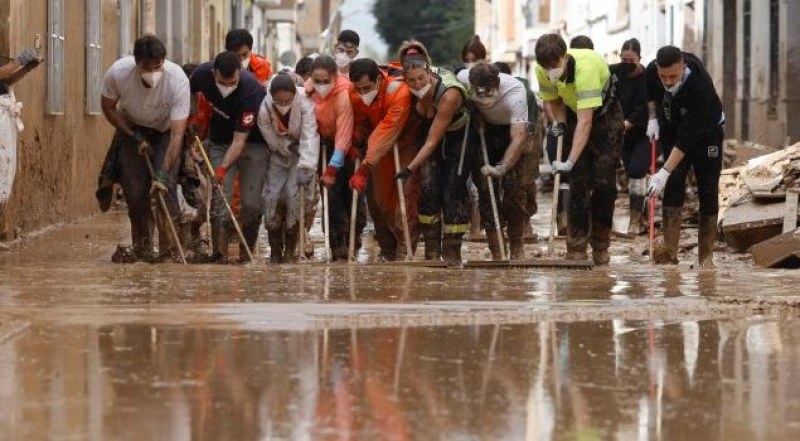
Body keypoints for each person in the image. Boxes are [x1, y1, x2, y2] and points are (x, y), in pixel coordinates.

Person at [534, 33, 624, 265]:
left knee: (604, 183)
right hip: (574, 112)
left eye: (554, 65)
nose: (550, 70)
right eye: (546, 67)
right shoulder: (541, 70)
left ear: (565, 57)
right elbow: (554, 100)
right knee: (578, 182)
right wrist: (561, 123)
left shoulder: (586, 68)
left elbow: (587, 122)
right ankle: (576, 247)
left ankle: (601, 245)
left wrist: (570, 159)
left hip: (605, 116)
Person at [99, 35, 190, 262]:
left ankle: (170, 252)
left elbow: (178, 134)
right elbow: (108, 107)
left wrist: (163, 172)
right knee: (135, 192)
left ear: (164, 61)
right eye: (147, 67)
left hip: (166, 132)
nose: (153, 71)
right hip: (133, 130)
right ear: (136, 63)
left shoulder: (177, 79)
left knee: (164, 189)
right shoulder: (118, 73)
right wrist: (133, 134)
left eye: (157, 66)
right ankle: (143, 248)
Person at [645, 45, 724, 268]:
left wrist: (662, 173)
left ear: (684, 67)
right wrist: (652, 118)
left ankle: (706, 259)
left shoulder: (701, 86)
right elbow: (651, 93)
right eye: (663, 76)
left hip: (707, 135)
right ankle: (669, 255)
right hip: (672, 130)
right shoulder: (653, 71)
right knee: (674, 185)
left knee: (708, 189)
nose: (668, 82)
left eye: (673, 76)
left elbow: (687, 140)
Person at [394, 42, 470, 263]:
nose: (418, 84)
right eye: (412, 81)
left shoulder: (449, 94)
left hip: (458, 133)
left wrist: (409, 168)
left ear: (429, 71)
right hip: (430, 130)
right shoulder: (404, 85)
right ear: (405, 78)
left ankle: (452, 251)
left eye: (421, 79)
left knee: (452, 189)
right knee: (428, 188)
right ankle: (431, 251)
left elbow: (432, 142)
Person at [190, 51, 267, 263]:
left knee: (250, 204)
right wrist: (192, 116)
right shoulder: (201, 74)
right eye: (223, 82)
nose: (227, 86)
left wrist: (222, 170)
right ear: (214, 73)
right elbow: (188, 92)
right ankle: (220, 256)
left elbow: (239, 141)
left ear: (240, 73)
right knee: (219, 196)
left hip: (253, 142)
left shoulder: (250, 90)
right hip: (219, 141)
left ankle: (245, 255)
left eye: (232, 82)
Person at [457, 62, 534, 260]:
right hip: (485, 132)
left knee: (515, 190)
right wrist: (473, 111)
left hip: (512, 131)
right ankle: (497, 250)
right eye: (478, 93)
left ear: (497, 83)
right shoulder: (464, 78)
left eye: (488, 92)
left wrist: (502, 168)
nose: (482, 98)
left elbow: (519, 137)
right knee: (485, 190)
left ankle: (516, 245)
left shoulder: (515, 93)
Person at [347, 57, 418, 261]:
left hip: (404, 142)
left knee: (405, 195)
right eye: (358, 89)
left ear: (379, 79)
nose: (362, 94)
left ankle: (406, 249)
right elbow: (360, 120)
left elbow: (388, 130)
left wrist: (364, 168)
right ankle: (387, 250)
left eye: (366, 88)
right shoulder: (353, 92)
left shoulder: (397, 91)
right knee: (379, 199)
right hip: (376, 147)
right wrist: (356, 140)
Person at [258, 73, 319, 263]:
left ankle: (291, 251)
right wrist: (285, 146)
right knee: (271, 197)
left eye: (288, 101)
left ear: (295, 96)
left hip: (302, 155)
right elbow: (269, 135)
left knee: (295, 197)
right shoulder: (265, 107)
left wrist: (306, 167)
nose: (283, 105)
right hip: (277, 155)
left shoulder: (305, 103)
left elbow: (310, 135)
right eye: (279, 101)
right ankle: (275, 252)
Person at [307, 55, 358, 261]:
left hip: (349, 147)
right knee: (332, 198)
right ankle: (337, 247)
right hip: (323, 144)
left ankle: (354, 242)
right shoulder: (308, 91)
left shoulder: (344, 94)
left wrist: (332, 169)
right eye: (317, 80)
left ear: (335, 77)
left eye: (325, 81)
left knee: (352, 195)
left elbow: (344, 135)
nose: (321, 85)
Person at [611, 38, 651, 235]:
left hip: (641, 131)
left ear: (639, 58)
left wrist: (627, 124)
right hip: (619, 131)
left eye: (631, 61)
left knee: (637, 170)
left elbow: (643, 106)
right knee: (628, 172)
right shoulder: (613, 72)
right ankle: (640, 214)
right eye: (624, 60)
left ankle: (635, 220)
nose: (627, 64)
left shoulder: (645, 76)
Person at [0, 44, 42, 210]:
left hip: (4, 121)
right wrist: (20, 61)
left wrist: (27, 68)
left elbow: (5, 81)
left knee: (4, 168)